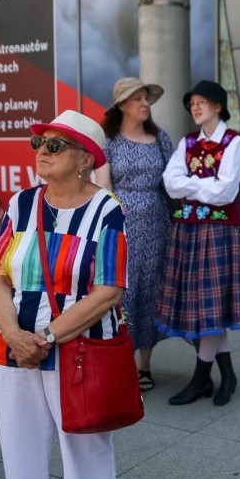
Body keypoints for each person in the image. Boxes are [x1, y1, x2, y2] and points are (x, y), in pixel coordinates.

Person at [0, 110, 127, 479]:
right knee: (20, 462)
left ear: (85, 159)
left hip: (81, 354)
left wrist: (46, 337)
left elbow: (108, 290)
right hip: (12, 352)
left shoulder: (107, 209)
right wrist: (14, 335)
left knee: (88, 464)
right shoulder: (20, 204)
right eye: (38, 143)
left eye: (54, 145)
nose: (41, 151)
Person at [157, 80, 240, 406]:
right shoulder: (186, 143)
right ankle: (226, 376)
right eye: (192, 103)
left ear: (218, 106)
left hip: (219, 231)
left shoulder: (233, 141)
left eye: (202, 102)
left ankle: (202, 378)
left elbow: (226, 191)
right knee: (205, 307)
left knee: (208, 308)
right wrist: (203, 184)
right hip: (189, 230)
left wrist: (190, 184)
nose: (195, 107)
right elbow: (170, 184)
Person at [95, 77, 175, 392]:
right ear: (122, 106)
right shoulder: (109, 141)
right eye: (138, 99)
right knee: (122, 293)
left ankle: (145, 366)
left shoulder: (160, 139)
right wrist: (109, 227)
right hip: (122, 225)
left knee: (149, 293)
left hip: (157, 226)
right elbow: (104, 187)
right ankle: (121, 362)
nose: (145, 104)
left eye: (146, 98)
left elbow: (173, 183)